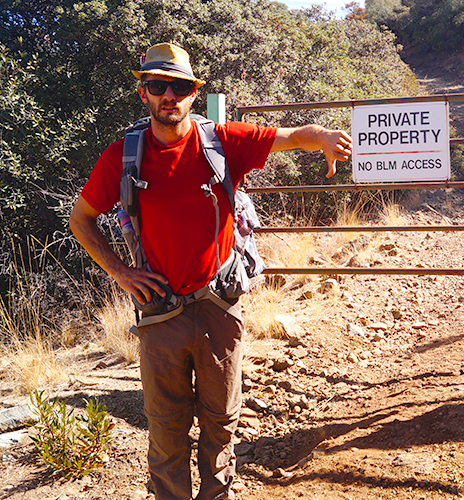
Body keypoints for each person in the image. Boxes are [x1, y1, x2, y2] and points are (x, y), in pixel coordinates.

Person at [69, 42, 352, 500]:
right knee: (166, 430)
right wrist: (121, 273)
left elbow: (291, 135)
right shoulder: (122, 156)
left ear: (193, 94)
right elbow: (80, 219)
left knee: (221, 422)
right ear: (143, 93)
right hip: (159, 313)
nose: (169, 95)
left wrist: (319, 134)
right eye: (158, 85)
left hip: (219, 307)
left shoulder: (222, 142)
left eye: (179, 86)